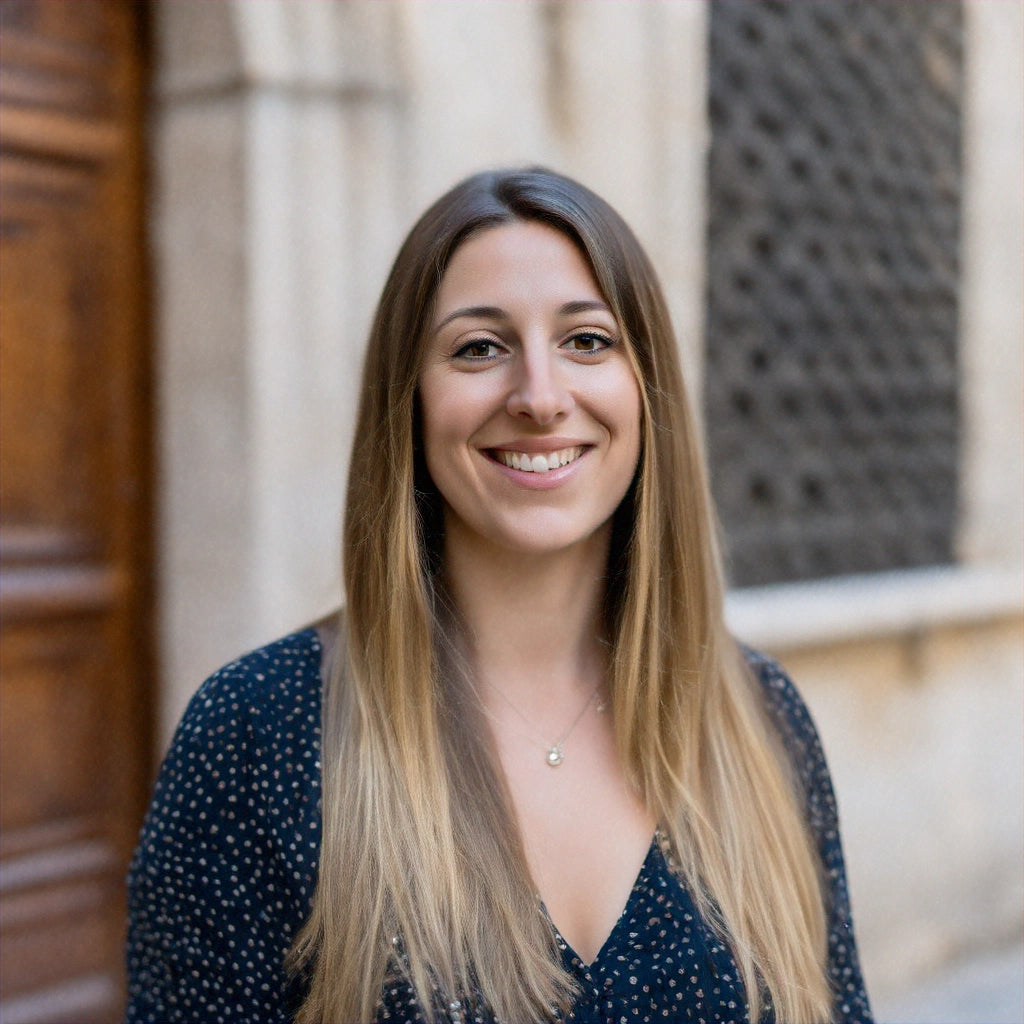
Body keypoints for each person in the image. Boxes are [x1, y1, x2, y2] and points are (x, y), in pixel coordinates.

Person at [125, 168, 872, 1024]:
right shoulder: (258, 733)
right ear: (409, 400)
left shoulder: (764, 721)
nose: (540, 399)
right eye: (479, 348)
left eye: (587, 340)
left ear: (647, 388)